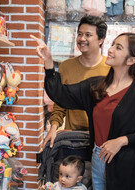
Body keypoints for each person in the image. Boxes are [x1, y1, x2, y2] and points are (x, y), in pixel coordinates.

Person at [31, 32, 135, 190]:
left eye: (118, 47)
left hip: (124, 164)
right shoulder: (97, 86)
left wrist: (122, 141)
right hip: (99, 160)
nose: (110, 49)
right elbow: (61, 94)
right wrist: (48, 62)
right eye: (113, 45)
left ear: (132, 59)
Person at [43, 15, 111, 148]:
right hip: (74, 137)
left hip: (103, 139)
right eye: (79, 34)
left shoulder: (111, 68)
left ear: (101, 40)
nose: (82, 39)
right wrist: (53, 128)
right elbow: (59, 103)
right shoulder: (66, 67)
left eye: (88, 34)